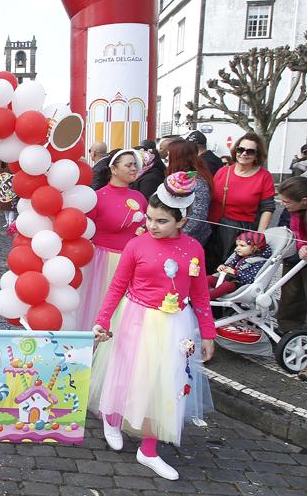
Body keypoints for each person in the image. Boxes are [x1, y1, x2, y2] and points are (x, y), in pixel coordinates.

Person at [91, 171, 216, 481]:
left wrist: (208, 333)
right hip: (136, 318)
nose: (151, 226)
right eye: (149, 218)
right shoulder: (137, 246)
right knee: (127, 373)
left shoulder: (193, 249)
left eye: (161, 221)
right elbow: (117, 286)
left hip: (175, 325)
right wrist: (102, 320)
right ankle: (112, 416)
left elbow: (200, 294)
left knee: (164, 384)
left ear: (181, 222)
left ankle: (148, 449)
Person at [73, 149, 147, 331]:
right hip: (104, 262)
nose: (133, 169)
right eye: (128, 165)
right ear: (114, 169)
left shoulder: (139, 197)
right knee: (101, 306)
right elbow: (86, 231)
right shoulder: (98, 198)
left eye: (135, 165)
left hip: (134, 261)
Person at [207, 133, 274, 272]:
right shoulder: (223, 172)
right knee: (211, 268)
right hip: (216, 229)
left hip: (243, 233)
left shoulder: (264, 176)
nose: (244, 153)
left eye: (250, 151)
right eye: (240, 149)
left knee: (232, 272)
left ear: (257, 155)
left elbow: (267, 207)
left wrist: (259, 236)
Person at [276, 177, 307, 344]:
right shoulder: (294, 212)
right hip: (299, 255)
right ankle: (288, 329)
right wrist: (301, 245)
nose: (282, 204)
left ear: (304, 201)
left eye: (286, 201)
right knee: (290, 290)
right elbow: (297, 231)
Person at [165, 139, 213, 245]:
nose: (167, 158)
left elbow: (198, 216)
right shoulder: (176, 178)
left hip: (189, 239)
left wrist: (177, 236)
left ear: (179, 158)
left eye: (169, 155)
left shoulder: (198, 182)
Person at [207, 231, 270, 300]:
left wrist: (236, 273)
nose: (237, 248)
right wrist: (224, 266)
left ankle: (205, 298)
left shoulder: (259, 261)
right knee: (209, 278)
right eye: (237, 245)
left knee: (227, 286)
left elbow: (251, 278)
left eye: (242, 246)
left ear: (255, 248)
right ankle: (197, 293)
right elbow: (231, 264)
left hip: (240, 284)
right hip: (228, 278)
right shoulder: (239, 255)